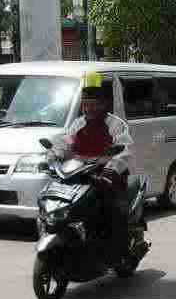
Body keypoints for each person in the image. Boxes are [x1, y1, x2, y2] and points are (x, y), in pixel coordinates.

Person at [43, 72, 134, 260]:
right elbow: (66, 143)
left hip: (108, 179)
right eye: (85, 104)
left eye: (93, 104)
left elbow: (124, 151)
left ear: (104, 104)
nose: (89, 109)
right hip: (81, 176)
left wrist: (110, 170)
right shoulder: (77, 124)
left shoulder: (116, 125)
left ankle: (118, 254)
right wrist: (53, 156)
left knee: (114, 213)